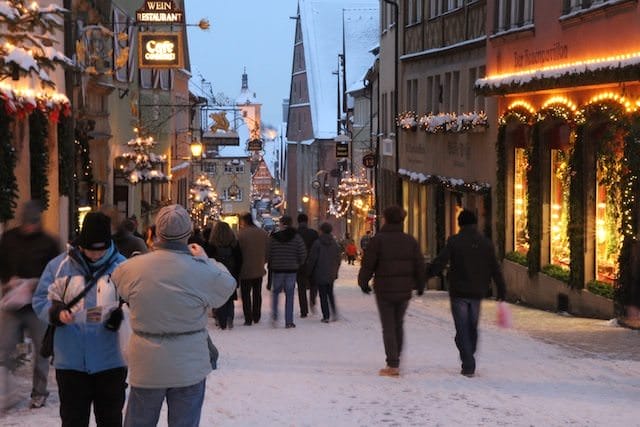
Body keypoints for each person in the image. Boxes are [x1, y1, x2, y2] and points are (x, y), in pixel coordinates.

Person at [111, 204, 236, 427]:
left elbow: (118, 284)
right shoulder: (202, 269)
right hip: (188, 363)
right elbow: (227, 285)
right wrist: (206, 259)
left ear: (156, 233)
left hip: (147, 364)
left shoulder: (131, 268)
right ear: (188, 234)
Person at [32, 212, 127, 426]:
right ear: (81, 244)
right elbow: (40, 299)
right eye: (91, 250)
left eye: (101, 250)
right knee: (73, 421)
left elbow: (136, 303)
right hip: (71, 362)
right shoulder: (59, 266)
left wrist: (121, 315)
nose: (95, 255)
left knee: (111, 420)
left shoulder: (123, 268)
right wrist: (56, 313)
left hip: (111, 361)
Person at [426, 209, 506, 378]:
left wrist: (426, 275)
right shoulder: (485, 243)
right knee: (472, 326)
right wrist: (501, 289)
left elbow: (441, 261)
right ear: (475, 223)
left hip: (458, 291)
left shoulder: (455, 241)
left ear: (460, 223)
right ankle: (468, 351)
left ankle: (468, 360)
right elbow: (494, 267)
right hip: (477, 290)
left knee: (462, 328)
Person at [0, 201, 60, 410]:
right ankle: (5, 392)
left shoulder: (49, 242)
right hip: (12, 304)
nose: (29, 227)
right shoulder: (8, 239)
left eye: (33, 223)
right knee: (3, 347)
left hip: (38, 306)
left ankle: (39, 392)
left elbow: (55, 272)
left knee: (42, 351)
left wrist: (37, 283)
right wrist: (8, 281)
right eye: (26, 223)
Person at [358, 205, 425, 377]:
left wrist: (363, 282)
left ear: (386, 219)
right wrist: (420, 284)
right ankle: (396, 359)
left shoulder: (378, 240)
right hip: (404, 289)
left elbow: (368, 264)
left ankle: (392, 364)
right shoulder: (410, 240)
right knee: (398, 324)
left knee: (388, 326)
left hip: (384, 289)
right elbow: (419, 264)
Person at [268, 215, 307, 328]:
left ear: (281, 224)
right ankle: (288, 321)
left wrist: (272, 262)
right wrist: (298, 263)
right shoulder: (296, 237)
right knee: (289, 295)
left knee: (275, 293)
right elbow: (302, 253)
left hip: (277, 269)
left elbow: (268, 252)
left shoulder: (274, 237)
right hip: (291, 270)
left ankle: (275, 316)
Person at [206, 221, 242, 330]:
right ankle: (230, 317)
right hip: (231, 274)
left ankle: (221, 320)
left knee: (219, 297)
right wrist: (237, 274)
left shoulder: (211, 245)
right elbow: (240, 260)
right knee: (230, 297)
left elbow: (208, 260)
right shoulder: (234, 244)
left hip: (217, 274)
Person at [237, 212, 269, 326]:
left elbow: (237, 251)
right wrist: (263, 260)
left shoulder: (241, 234)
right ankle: (256, 315)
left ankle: (248, 317)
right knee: (257, 293)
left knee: (246, 295)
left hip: (245, 269)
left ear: (244, 221)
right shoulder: (263, 233)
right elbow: (268, 251)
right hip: (258, 268)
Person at [307, 222, 341, 323]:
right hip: (331, 272)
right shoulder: (334, 244)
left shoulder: (317, 243)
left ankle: (326, 316)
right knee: (330, 293)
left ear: (321, 230)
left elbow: (312, 259)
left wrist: (309, 271)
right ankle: (334, 312)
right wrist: (335, 270)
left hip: (320, 272)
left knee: (322, 295)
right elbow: (338, 258)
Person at [296, 213, 319, 317]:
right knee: (313, 283)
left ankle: (303, 310)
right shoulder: (313, 233)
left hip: (299, 264)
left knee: (301, 287)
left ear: (298, 221)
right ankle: (312, 299)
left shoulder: (295, 234)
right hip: (312, 262)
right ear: (307, 221)